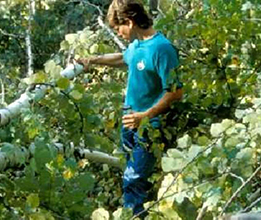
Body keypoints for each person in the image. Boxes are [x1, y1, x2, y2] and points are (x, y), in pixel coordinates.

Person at [77, 0, 183, 217]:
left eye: (118, 28)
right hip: (129, 124)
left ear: (131, 21)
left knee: (132, 180)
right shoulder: (137, 45)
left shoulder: (162, 49)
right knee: (133, 178)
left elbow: (175, 92)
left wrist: (145, 116)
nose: (119, 33)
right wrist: (93, 60)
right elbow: (123, 58)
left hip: (149, 127)